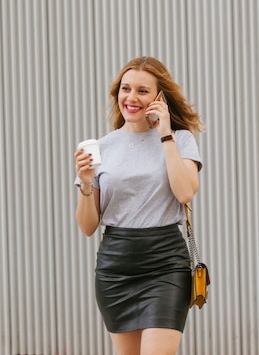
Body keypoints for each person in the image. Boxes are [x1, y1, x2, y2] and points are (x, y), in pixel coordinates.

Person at [73, 56, 204, 355]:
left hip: (165, 264)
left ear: (160, 97)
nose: (131, 98)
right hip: (115, 268)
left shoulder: (180, 140)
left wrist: (165, 134)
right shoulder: (101, 147)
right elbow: (87, 226)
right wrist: (85, 182)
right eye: (125, 89)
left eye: (142, 91)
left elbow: (185, 193)